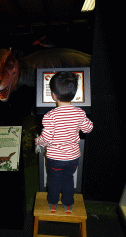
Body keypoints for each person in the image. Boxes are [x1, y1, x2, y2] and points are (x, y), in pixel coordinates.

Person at [35, 71, 93, 213]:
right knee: (68, 180)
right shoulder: (79, 113)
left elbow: (46, 139)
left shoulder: (50, 116)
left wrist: (38, 141)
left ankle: (53, 204)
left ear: (53, 95)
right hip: (73, 157)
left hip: (55, 159)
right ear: (74, 94)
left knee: (54, 181)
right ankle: (68, 204)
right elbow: (88, 128)